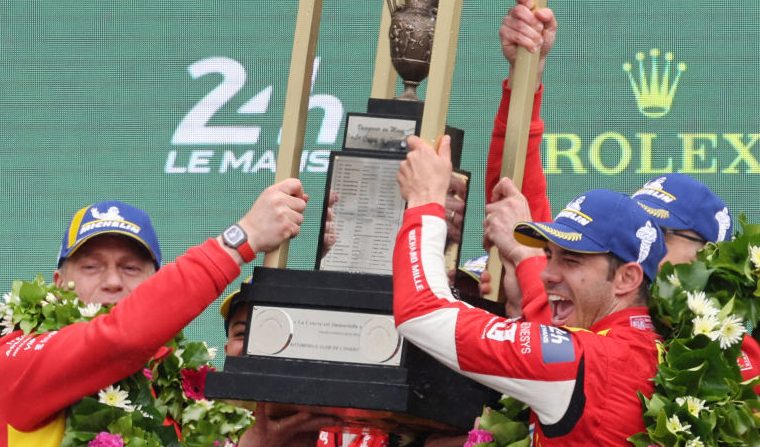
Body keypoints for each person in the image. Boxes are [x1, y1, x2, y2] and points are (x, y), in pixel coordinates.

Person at [394, 134, 667, 446]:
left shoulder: (587, 362)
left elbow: (421, 311)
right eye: (549, 255)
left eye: (572, 260)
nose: (547, 273)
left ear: (626, 279)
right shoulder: (652, 347)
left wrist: (425, 199)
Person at [0, 179, 308, 446]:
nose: (112, 282)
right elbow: (119, 338)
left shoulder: (187, 390)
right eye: (91, 267)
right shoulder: (16, 357)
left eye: (130, 267)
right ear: (59, 284)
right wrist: (245, 237)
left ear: (156, 284)